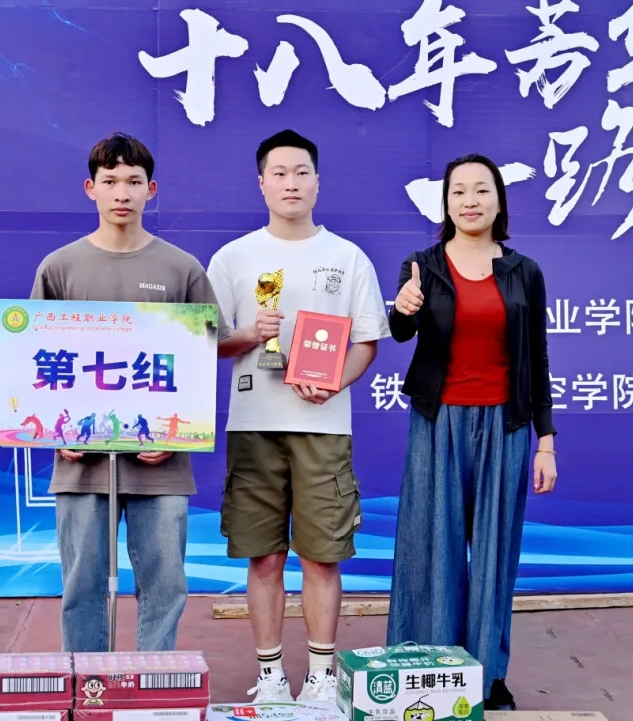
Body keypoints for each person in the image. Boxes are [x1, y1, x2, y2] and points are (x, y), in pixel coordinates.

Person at [208, 129, 390, 703]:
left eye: (301, 172)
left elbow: (366, 341)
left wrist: (334, 380)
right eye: (280, 173)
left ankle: (320, 676)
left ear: (317, 182)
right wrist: (247, 335)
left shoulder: (347, 257)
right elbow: (206, 342)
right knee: (264, 556)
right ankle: (269, 676)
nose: (291, 183)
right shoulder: (233, 258)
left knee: (322, 556)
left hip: (324, 427)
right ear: (261, 183)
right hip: (253, 426)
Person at [29, 132, 229, 653]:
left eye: (134, 182)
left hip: (161, 462)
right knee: (81, 585)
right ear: (90, 188)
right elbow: (36, 361)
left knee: (165, 584)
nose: (122, 192)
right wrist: (57, 432)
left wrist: (177, 434)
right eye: (111, 181)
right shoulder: (59, 268)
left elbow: (200, 358)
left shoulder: (181, 268)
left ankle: (154, 683)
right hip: (80, 462)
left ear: (151, 189)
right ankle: (87, 682)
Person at [384, 154, 558, 711]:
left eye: (481, 189)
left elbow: (537, 356)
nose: (470, 200)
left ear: (499, 200)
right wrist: (403, 307)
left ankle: (488, 674)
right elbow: (401, 330)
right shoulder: (423, 265)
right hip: (439, 423)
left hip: (506, 425)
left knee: (493, 557)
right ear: (446, 203)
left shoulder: (524, 271)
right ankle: (430, 665)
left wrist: (546, 441)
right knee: (430, 550)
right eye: (458, 191)